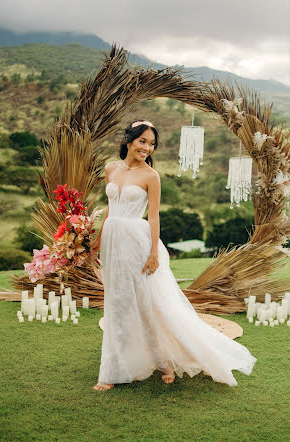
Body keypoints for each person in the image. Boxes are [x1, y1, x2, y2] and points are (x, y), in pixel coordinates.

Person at [91, 119, 257, 391]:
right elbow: (110, 210)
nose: (147, 147)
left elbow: (154, 217)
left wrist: (154, 252)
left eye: (152, 144)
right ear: (129, 140)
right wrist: (97, 242)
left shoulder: (151, 176)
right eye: (143, 141)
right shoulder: (110, 169)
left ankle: (163, 361)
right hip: (112, 239)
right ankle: (111, 370)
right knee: (117, 303)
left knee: (146, 305)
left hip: (137, 241)